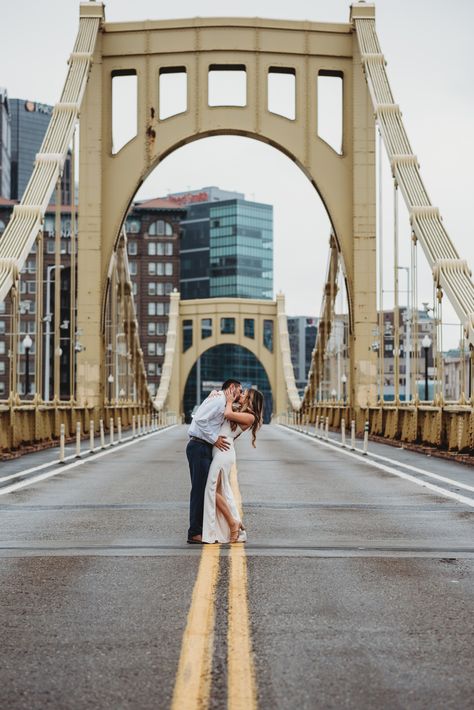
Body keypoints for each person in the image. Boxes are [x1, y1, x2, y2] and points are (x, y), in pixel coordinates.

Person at [202, 387, 264, 544]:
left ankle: (233, 523)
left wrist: (229, 401)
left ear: (250, 400)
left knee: (211, 490)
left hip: (224, 453)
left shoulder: (249, 417)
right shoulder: (238, 410)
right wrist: (213, 395)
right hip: (219, 451)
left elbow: (227, 414)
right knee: (218, 491)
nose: (241, 396)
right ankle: (235, 521)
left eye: (245, 395)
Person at [186, 379, 242, 544]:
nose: (240, 394)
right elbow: (200, 420)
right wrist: (214, 439)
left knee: (205, 490)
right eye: (239, 391)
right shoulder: (219, 400)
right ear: (231, 388)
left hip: (202, 447)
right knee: (200, 490)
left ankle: (203, 529)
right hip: (199, 446)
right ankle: (195, 532)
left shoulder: (219, 400)